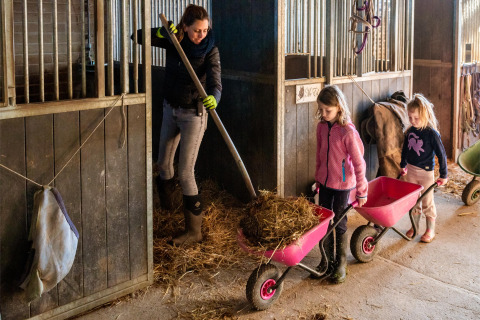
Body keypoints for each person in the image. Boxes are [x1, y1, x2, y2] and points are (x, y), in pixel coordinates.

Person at [134, 4, 221, 245]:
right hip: (170, 109)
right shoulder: (175, 40)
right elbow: (136, 37)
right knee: (163, 164)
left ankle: (194, 232)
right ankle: (168, 209)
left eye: (204, 30)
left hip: (194, 113)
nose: (200, 35)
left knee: (184, 173)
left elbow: (216, 82)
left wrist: (215, 97)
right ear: (185, 26)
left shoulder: (210, 49)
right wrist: (161, 33)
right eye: (196, 30)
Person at [315, 85, 368, 284]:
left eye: (327, 110)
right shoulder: (321, 127)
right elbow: (319, 154)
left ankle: (340, 263)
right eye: (321, 110)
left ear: (339, 107)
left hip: (344, 185)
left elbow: (359, 163)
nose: (324, 114)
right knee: (323, 222)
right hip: (326, 183)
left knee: (339, 223)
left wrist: (362, 191)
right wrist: (318, 178)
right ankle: (326, 260)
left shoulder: (347, 131)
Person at [399, 93, 448, 243]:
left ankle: (430, 229)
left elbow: (442, 154)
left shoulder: (432, 134)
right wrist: (403, 165)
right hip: (412, 170)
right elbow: (406, 150)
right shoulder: (410, 132)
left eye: (416, 118)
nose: (412, 121)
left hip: (426, 172)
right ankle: (415, 226)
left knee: (427, 200)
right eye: (410, 117)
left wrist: (443, 174)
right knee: (414, 200)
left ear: (425, 115)